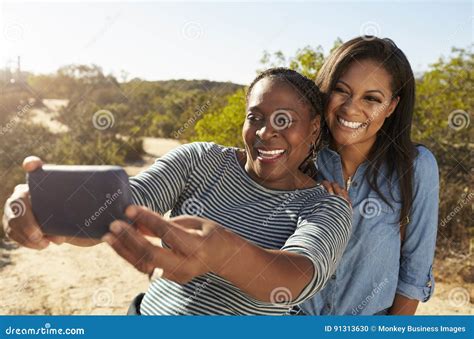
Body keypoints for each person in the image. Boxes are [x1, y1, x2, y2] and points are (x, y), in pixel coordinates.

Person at [4, 68, 352, 315]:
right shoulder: (199, 160)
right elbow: (121, 208)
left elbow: (296, 279)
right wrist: (51, 215)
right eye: (255, 117)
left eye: (283, 120)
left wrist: (222, 253)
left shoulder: (326, 206)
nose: (264, 133)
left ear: (314, 128)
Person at [298, 37, 439, 315]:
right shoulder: (298, 154)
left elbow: (414, 274)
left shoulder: (417, 167)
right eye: (341, 90)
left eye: (372, 98)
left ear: (391, 107)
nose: (351, 108)